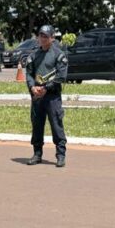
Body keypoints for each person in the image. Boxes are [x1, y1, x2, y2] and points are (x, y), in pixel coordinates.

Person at [25, 24, 69, 167]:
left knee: (56, 125)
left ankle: (60, 155)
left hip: (52, 96)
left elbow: (61, 76)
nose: (43, 38)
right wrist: (32, 87)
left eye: (46, 36)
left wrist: (46, 88)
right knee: (37, 125)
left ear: (52, 38)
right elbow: (29, 73)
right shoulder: (33, 55)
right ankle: (37, 153)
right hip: (37, 96)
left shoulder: (59, 54)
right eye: (41, 35)